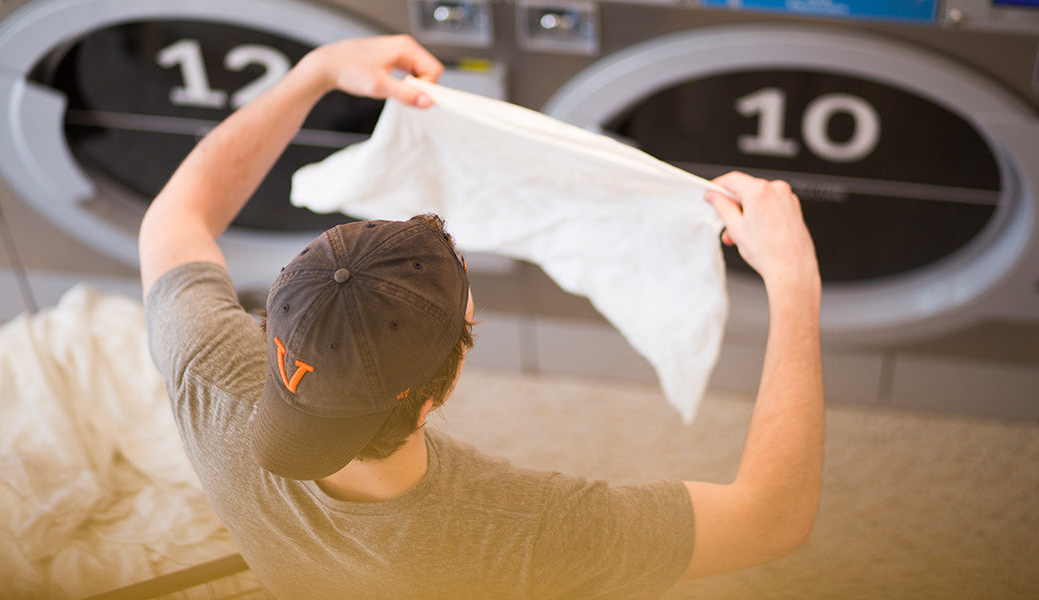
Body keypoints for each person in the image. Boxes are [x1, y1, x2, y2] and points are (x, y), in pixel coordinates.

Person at [140, 34, 823, 599]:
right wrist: (794, 283)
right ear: (441, 389)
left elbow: (175, 216)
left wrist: (315, 72)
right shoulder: (519, 528)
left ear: (276, 326)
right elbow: (771, 519)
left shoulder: (209, 378)